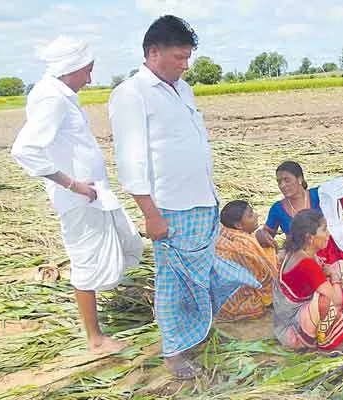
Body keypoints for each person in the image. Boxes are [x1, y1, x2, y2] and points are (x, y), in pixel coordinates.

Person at [109, 15, 259, 379]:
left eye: (188, 57)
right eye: (179, 57)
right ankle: (174, 352)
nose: (185, 65)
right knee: (173, 283)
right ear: (153, 52)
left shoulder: (183, 88)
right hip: (170, 209)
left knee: (204, 277)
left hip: (203, 203)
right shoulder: (132, 94)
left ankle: (197, 333)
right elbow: (132, 160)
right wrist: (150, 214)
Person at [11, 36, 143, 355]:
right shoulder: (52, 99)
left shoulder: (60, 94)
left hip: (94, 195)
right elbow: (24, 149)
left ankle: (102, 312)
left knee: (126, 243)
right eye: (87, 71)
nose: (90, 78)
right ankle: (95, 339)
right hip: (79, 199)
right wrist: (73, 184)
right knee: (86, 261)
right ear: (70, 68)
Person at [255, 161, 343, 299]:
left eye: (287, 180)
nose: (282, 185)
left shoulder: (320, 195)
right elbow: (266, 234)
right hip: (304, 255)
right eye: (279, 181)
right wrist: (260, 234)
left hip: (329, 247)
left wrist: (338, 183)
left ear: (300, 179)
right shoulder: (277, 209)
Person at [273, 209, 343, 350]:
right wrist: (335, 277)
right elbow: (336, 299)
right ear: (310, 238)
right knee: (326, 300)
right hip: (292, 328)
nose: (328, 234)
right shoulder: (306, 263)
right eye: (324, 230)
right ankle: (327, 340)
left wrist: (332, 273)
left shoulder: (298, 252)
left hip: (287, 318)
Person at [216, 200, 278, 321]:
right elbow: (264, 278)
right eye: (250, 215)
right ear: (239, 225)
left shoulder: (223, 232)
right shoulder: (244, 246)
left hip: (216, 297)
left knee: (269, 251)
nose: (256, 216)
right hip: (234, 303)